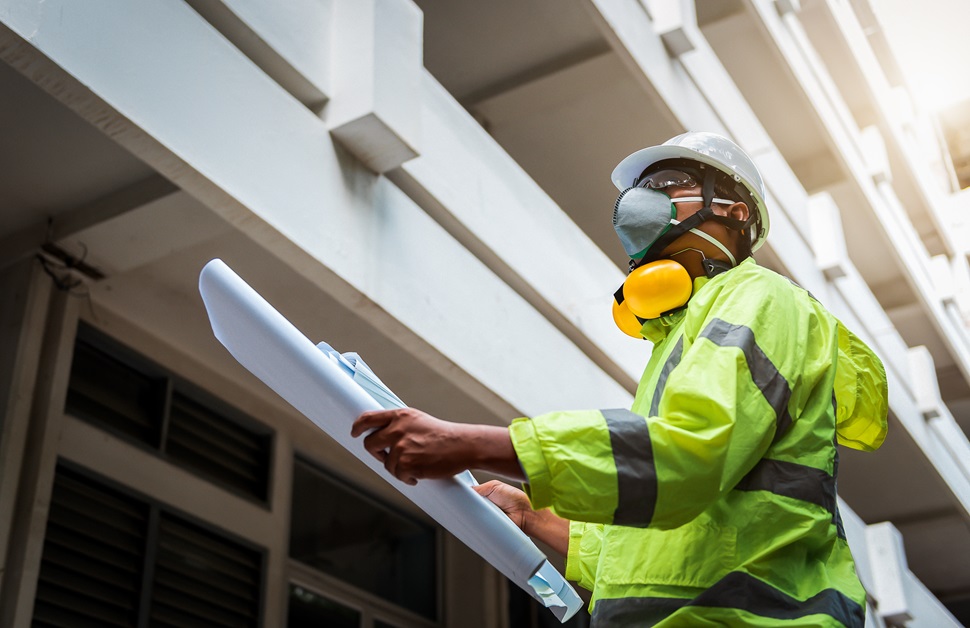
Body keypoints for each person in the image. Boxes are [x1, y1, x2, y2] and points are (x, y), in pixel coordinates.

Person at [352, 132, 888, 627]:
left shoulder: (761, 298)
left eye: (665, 185)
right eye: (639, 189)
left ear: (735, 211)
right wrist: (534, 516)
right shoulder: (680, 335)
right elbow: (662, 540)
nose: (639, 200)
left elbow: (687, 454)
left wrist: (470, 443)